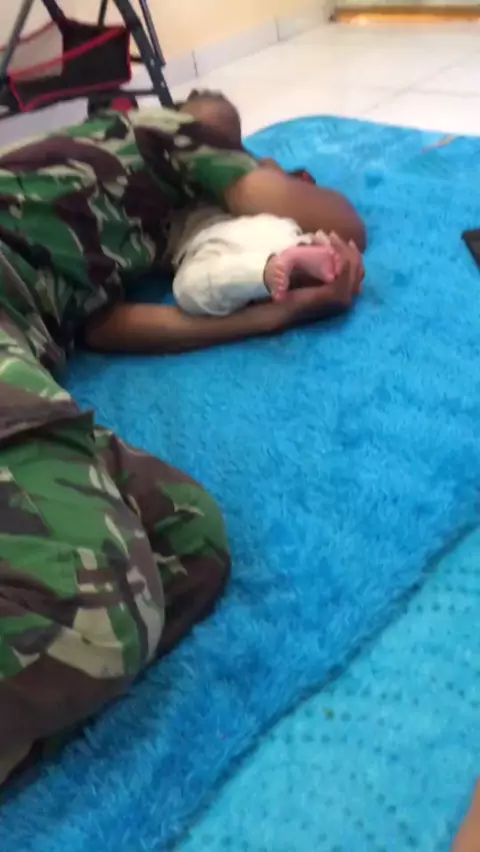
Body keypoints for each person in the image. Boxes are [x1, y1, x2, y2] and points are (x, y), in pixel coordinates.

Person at [0, 100, 365, 785]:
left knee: (187, 542)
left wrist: (273, 318)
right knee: (95, 610)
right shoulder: (165, 134)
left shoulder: (110, 212)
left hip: (20, 334)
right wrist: (253, 169)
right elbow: (344, 223)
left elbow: (107, 328)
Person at [169, 91, 344, 316]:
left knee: (189, 286)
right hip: (268, 227)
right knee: (284, 237)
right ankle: (306, 252)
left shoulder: (179, 181)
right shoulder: (254, 169)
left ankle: (268, 270)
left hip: (212, 241)